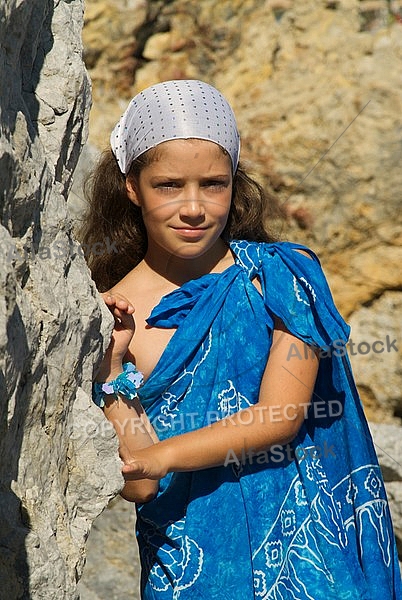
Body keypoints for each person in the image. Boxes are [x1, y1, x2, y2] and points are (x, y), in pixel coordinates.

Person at [80, 80, 401, 599]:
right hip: (192, 575)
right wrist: (114, 372)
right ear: (132, 187)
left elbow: (280, 416)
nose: (193, 207)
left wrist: (164, 455)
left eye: (213, 184)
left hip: (313, 569)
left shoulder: (279, 280)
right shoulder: (105, 315)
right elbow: (138, 483)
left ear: (235, 183)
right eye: (168, 186)